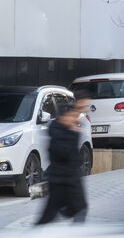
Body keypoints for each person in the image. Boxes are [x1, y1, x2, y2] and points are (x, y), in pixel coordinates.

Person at [37, 91, 88, 225]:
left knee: (80, 209)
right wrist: (74, 134)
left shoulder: (68, 130)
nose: (74, 119)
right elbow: (63, 153)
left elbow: (74, 156)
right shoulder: (58, 132)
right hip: (60, 180)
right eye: (71, 116)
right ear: (63, 117)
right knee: (49, 215)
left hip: (71, 179)